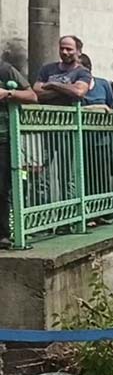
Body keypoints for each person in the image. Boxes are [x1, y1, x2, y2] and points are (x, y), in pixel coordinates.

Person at [0, 60, 39, 247]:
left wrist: (8, 93)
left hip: (3, 136)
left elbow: (32, 95)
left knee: (2, 187)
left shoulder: (5, 69)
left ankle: (3, 234)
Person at [33, 35, 91, 106]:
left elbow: (79, 92)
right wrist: (67, 90)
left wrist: (53, 85)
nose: (64, 52)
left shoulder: (83, 72)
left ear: (79, 52)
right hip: (47, 114)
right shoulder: (47, 69)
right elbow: (37, 92)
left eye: (69, 49)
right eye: (62, 48)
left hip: (70, 115)